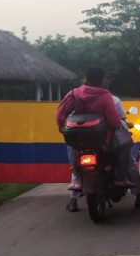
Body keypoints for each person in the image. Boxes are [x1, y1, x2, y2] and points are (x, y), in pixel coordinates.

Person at [56, 67, 134, 211]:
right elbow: (114, 122)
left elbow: (60, 115)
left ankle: (76, 177)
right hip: (102, 140)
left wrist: (62, 128)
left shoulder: (73, 94)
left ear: (85, 78)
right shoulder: (105, 96)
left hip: (77, 140)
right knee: (125, 145)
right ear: (103, 80)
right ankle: (120, 178)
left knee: (72, 150)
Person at [112, 95, 140, 209]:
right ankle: (139, 197)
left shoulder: (76, 95)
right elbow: (121, 119)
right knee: (130, 164)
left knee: (77, 167)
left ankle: (73, 199)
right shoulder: (112, 99)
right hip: (111, 141)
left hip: (85, 142)